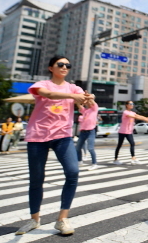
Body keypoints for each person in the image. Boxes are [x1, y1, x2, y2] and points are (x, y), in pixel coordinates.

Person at [15, 55, 93, 236]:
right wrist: (74, 96)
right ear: (51, 67)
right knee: (36, 179)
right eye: (61, 64)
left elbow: (85, 99)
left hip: (62, 136)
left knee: (73, 172)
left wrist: (88, 98)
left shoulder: (73, 87)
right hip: (37, 136)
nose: (65, 67)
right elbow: (49, 95)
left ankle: (62, 219)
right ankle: (34, 220)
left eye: (68, 65)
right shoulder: (42, 85)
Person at [76, 99, 99, 170]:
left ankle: (94, 163)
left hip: (90, 131)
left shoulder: (94, 108)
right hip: (83, 131)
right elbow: (78, 105)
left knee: (90, 148)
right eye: (87, 102)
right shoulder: (85, 111)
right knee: (77, 148)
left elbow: (93, 102)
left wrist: (89, 98)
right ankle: (80, 161)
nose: (88, 103)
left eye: (89, 102)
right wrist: (81, 100)